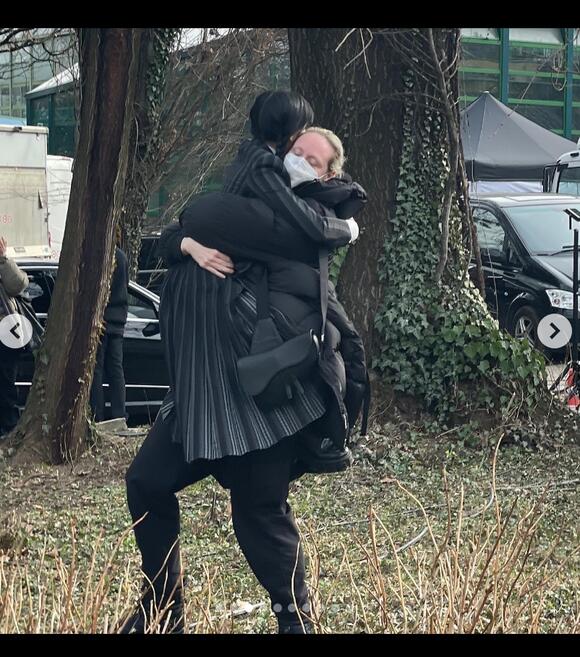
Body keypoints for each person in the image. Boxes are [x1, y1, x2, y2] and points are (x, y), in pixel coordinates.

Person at [121, 92, 358, 635]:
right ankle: (162, 610)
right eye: (296, 151)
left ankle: (295, 619)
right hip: (204, 390)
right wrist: (188, 246)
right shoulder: (258, 200)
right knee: (147, 481)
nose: (300, 161)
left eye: (313, 160)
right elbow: (174, 234)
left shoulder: (307, 219)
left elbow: (203, 213)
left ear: (326, 175)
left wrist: (194, 227)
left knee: (258, 512)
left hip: (262, 398)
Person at [90, 240, 129, 424]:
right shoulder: (122, 257)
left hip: (101, 319)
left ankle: (97, 416)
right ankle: (119, 415)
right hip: (118, 321)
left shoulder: (100, 255)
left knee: (96, 371)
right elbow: (125, 286)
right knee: (116, 371)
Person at [0, 236, 29, 438]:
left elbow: (19, 284)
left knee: (6, 382)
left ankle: (9, 427)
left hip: (6, 332)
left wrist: (3, 258)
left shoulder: (3, 265)